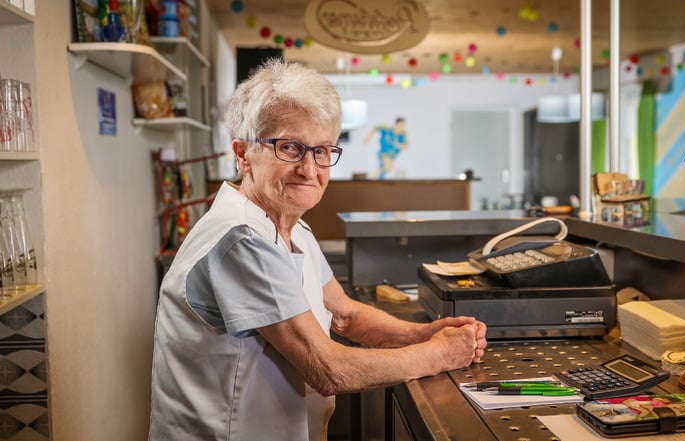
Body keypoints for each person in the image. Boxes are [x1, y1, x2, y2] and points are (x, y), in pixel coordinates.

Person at [148, 59, 487, 441]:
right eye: (290, 147)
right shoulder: (240, 237)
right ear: (243, 154)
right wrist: (440, 354)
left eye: (322, 150)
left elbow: (345, 316)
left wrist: (424, 334)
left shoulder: (291, 224)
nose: (309, 169)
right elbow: (329, 370)